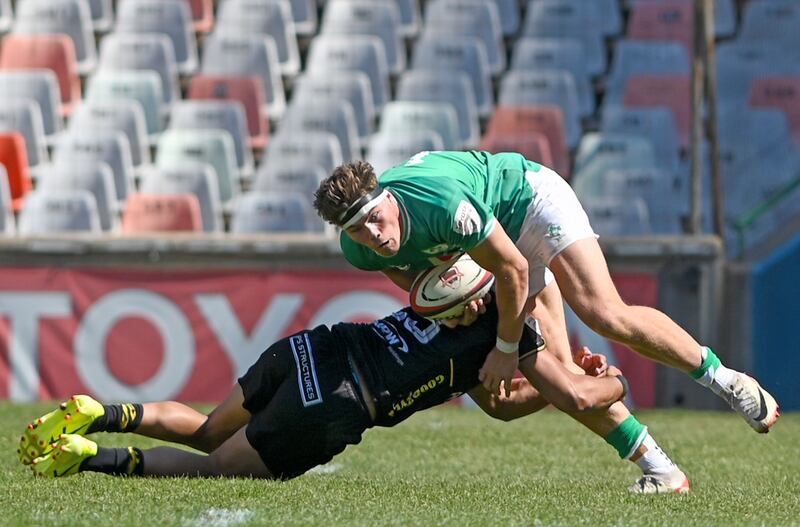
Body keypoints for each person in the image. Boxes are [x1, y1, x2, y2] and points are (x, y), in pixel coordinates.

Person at [312, 151, 779, 444]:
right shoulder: (358, 249)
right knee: (560, 375)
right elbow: (409, 277)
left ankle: (725, 380)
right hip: (488, 247)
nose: (373, 234)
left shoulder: (439, 202)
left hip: (529, 202)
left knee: (603, 313)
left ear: (387, 198)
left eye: (375, 218)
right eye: (358, 229)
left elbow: (512, 267)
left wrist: (505, 349)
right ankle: (659, 469)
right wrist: (451, 303)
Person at [18, 302, 686, 493]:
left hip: (313, 346)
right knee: (217, 465)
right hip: (336, 401)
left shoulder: (456, 277)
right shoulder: (516, 334)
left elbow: (497, 399)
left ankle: (103, 409)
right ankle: (88, 457)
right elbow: (535, 396)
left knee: (208, 426)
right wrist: (619, 378)